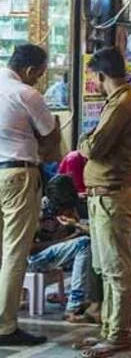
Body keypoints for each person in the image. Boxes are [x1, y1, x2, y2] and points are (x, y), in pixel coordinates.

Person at [80, 47, 131, 357]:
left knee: (117, 268)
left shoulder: (122, 104)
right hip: (104, 194)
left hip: (112, 195)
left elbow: (94, 147)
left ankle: (118, 333)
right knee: (106, 268)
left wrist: (83, 142)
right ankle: (110, 329)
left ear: (101, 75)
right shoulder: (120, 101)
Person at [0, 44, 59, 346]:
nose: (38, 80)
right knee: (14, 251)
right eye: (38, 74)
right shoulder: (26, 94)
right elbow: (51, 134)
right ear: (29, 70)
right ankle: (5, 325)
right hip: (18, 174)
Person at [27, 175, 95, 323]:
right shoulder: (39, 210)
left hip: (59, 256)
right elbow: (29, 249)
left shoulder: (72, 205)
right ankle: (74, 306)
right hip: (34, 260)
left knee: (93, 245)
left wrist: (75, 225)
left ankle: (91, 299)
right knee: (84, 244)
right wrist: (66, 240)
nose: (66, 209)